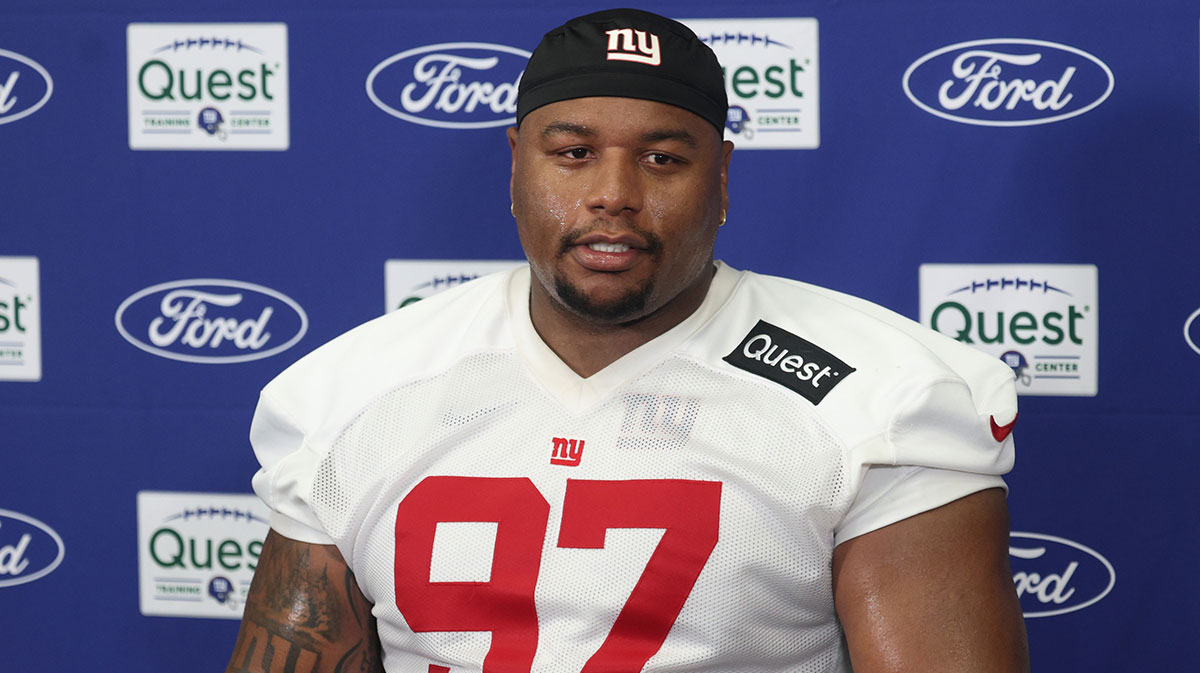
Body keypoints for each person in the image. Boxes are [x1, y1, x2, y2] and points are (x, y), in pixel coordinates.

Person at [226, 8, 1030, 673]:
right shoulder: (352, 392)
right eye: (573, 155)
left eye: (662, 158)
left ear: (721, 178)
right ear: (516, 165)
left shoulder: (877, 398)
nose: (614, 194)